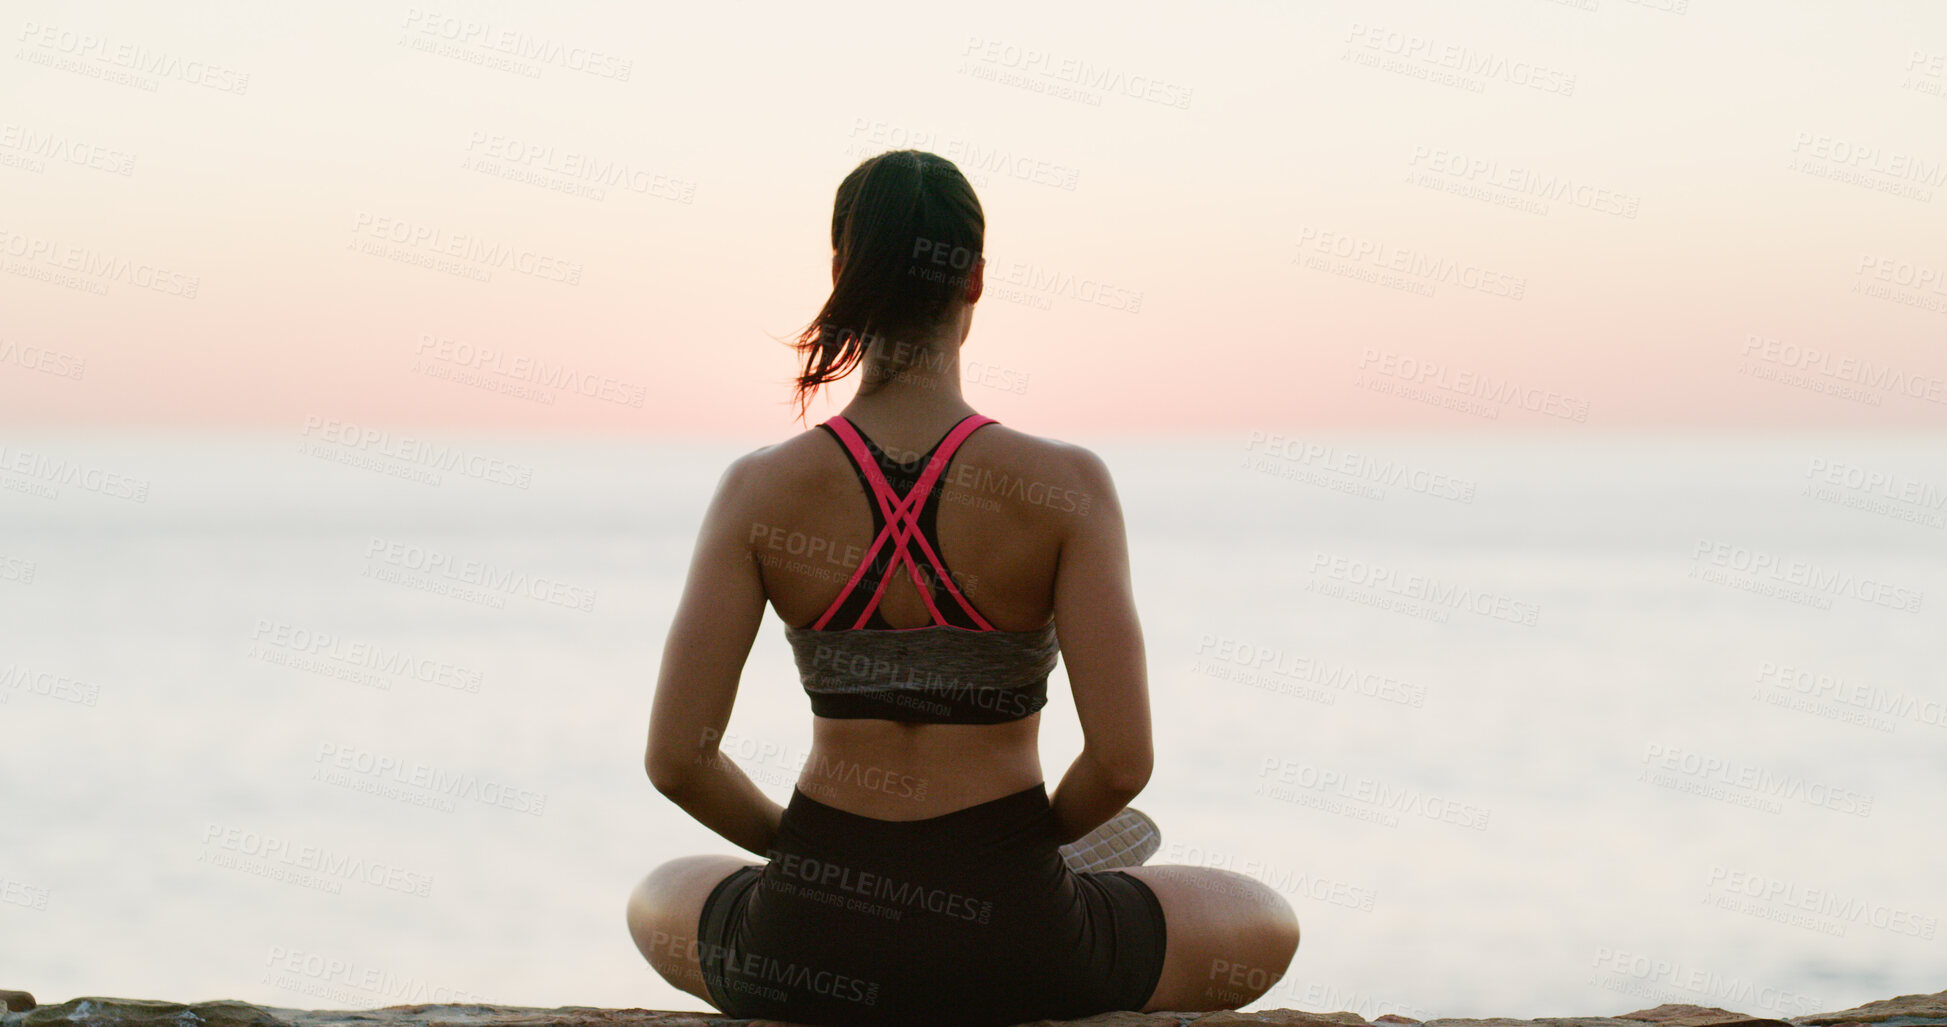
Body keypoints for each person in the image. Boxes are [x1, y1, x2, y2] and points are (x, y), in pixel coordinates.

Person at [626, 149, 1298, 1026]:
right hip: (1018, 937)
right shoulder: (1066, 484)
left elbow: (677, 760)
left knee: (658, 892)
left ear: (840, 271)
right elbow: (1121, 763)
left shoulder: (758, 490)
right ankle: (1073, 868)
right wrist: (1039, 844)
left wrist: (796, 853)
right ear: (973, 277)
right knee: (1267, 918)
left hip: (810, 939)